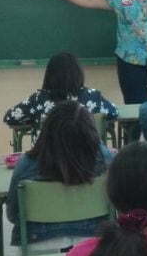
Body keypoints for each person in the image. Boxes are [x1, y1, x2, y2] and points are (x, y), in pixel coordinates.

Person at [6, 100, 115, 247]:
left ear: (46, 131)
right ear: (91, 133)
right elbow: (119, 207)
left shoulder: (26, 163)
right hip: (95, 244)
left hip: (36, 245)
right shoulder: (106, 161)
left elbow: (13, 215)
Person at [3, 51, 118, 140]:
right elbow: (113, 112)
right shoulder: (93, 97)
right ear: (79, 73)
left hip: (46, 165)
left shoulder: (39, 99)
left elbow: (10, 117)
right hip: (87, 163)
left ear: (50, 75)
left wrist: (33, 119)